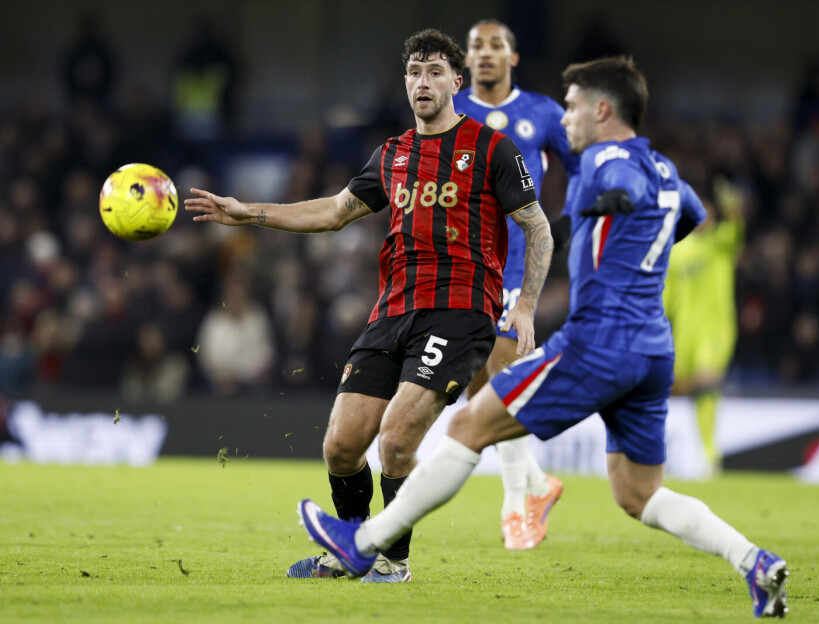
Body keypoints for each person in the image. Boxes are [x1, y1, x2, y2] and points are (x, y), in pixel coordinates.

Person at [297, 56, 790, 618]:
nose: (567, 116)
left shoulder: (609, 160)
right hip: (653, 347)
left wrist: (615, 202)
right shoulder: (666, 170)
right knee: (638, 495)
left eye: (575, 104)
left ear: (603, 110)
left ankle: (361, 546)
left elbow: (618, 180)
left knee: (467, 425)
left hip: (599, 342)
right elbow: (692, 216)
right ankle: (753, 561)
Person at [185, 29, 553, 583]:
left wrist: (524, 306)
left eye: (433, 72)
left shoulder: (491, 148)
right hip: (393, 311)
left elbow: (538, 228)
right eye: (413, 72)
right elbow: (334, 212)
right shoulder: (394, 154)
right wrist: (249, 213)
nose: (422, 82)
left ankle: (392, 560)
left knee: (397, 440)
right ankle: (349, 551)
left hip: (460, 311)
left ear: (457, 81)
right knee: (340, 447)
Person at [453, 19, 579, 550]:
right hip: (460, 260)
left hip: (515, 261)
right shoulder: (451, 108)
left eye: (495, 45)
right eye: (476, 46)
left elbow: (583, 166)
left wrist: (569, 221)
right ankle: (538, 482)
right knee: (481, 385)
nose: (485, 54)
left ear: (513, 56)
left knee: (502, 367)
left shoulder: (544, 113)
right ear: (466, 58)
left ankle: (515, 509)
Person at [664, 177, 745, 478]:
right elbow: (665, 298)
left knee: (706, 383)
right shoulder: (675, 252)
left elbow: (736, 229)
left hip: (716, 329)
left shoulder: (721, 244)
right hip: (685, 334)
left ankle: (711, 457)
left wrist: (733, 205)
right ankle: (655, 451)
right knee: (678, 388)